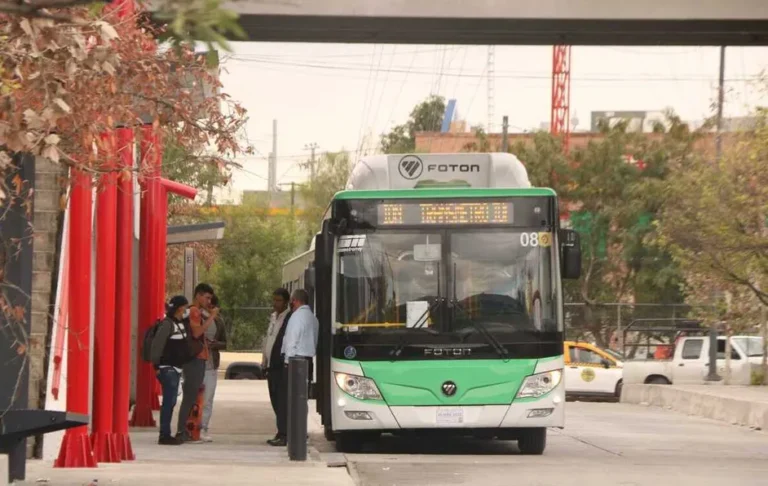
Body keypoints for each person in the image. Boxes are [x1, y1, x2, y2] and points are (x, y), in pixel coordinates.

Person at [269, 288, 318, 447]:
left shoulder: (296, 317)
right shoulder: (312, 318)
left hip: (293, 361)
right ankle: (299, 432)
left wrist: (286, 362)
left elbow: (291, 340)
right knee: (301, 400)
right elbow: (314, 341)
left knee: (285, 399)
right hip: (307, 361)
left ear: (295, 301)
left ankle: (284, 434)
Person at [177, 283, 218, 443]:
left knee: (193, 396)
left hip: (195, 358)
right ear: (198, 295)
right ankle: (183, 431)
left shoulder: (193, 311)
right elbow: (197, 332)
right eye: (207, 297)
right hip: (195, 359)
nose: (209, 301)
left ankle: (188, 430)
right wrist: (212, 316)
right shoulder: (194, 311)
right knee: (191, 396)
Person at [150, 295, 191, 445]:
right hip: (167, 368)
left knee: (171, 401)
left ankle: (166, 433)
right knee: (169, 402)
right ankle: (164, 434)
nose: (187, 310)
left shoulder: (179, 323)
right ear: (180, 308)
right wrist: (156, 366)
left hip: (175, 368)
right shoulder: (167, 324)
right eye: (185, 307)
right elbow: (157, 346)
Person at [262, 288, 292, 444]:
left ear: (286, 302)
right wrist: (264, 361)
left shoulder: (289, 318)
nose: (275, 303)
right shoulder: (273, 317)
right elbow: (268, 339)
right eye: (274, 300)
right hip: (270, 365)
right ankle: (280, 431)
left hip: (280, 365)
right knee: (274, 399)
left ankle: (285, 433)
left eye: (279, 300)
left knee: (282, 400)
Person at [200, 293, 227, 442]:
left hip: (211, 364)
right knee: (195, 397)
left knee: (208, 399)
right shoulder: (197, 316)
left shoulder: (219, 322)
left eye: (213, 305)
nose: (211, 307)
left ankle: (204, 427)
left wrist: (214, 345)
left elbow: (224, 343)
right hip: (197, 363)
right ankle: (192, 425)